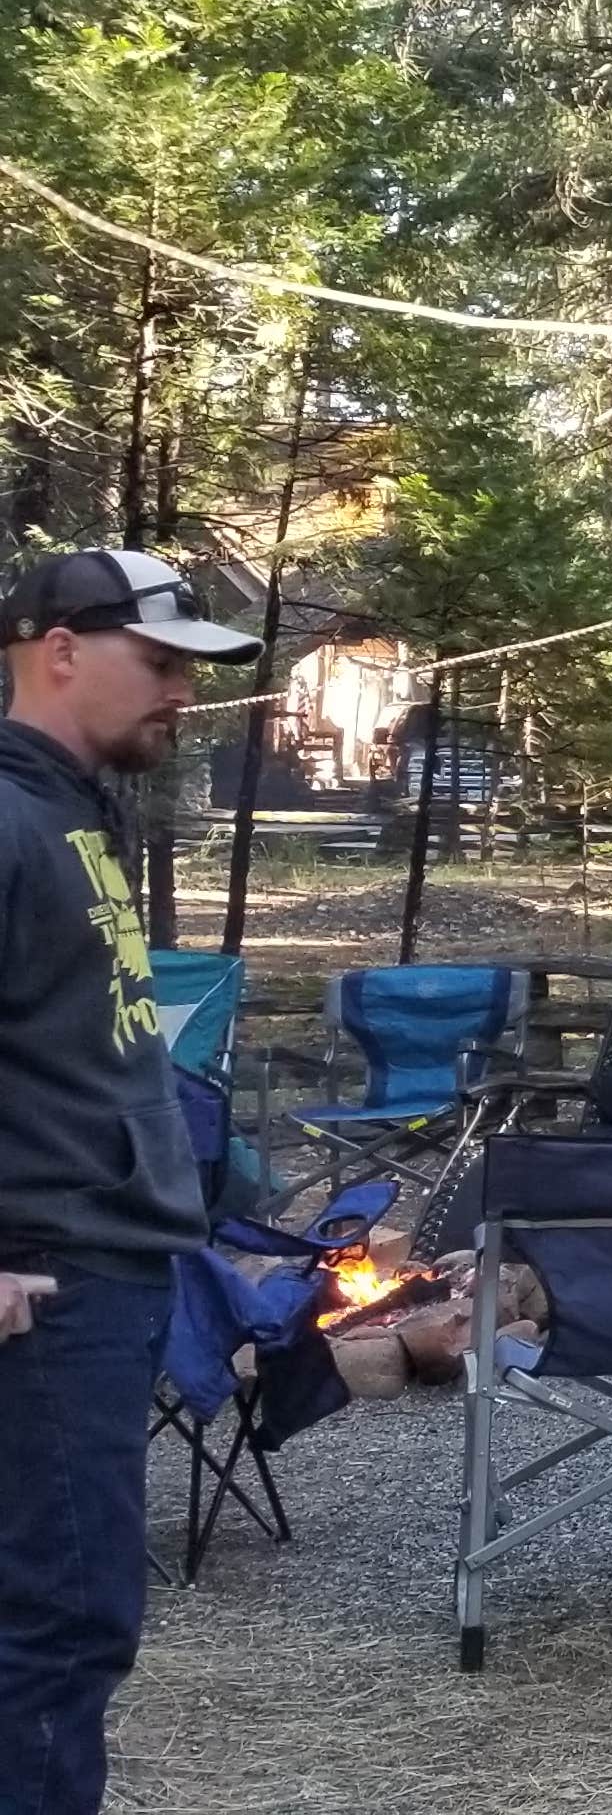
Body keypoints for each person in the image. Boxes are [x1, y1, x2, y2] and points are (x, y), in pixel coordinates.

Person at [0, 550, 261, 1813]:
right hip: (41, 1287)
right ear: (58, 648)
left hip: (107, 1272)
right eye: (157, 663)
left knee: (65, 1621)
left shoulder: (71, 810)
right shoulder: (5, 817)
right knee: (55, 1626)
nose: (178, 694)